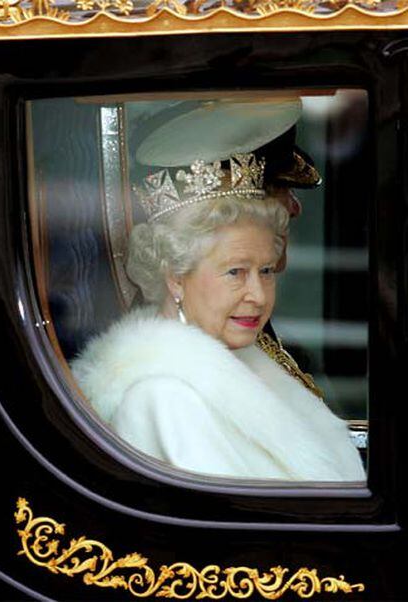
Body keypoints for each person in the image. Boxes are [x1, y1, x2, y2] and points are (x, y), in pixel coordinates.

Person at [72, 137, 365, 482]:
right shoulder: (162, 400)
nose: (257, 294)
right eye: (235, 272)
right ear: (176, 278)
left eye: (266, 271)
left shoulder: (255, 366)